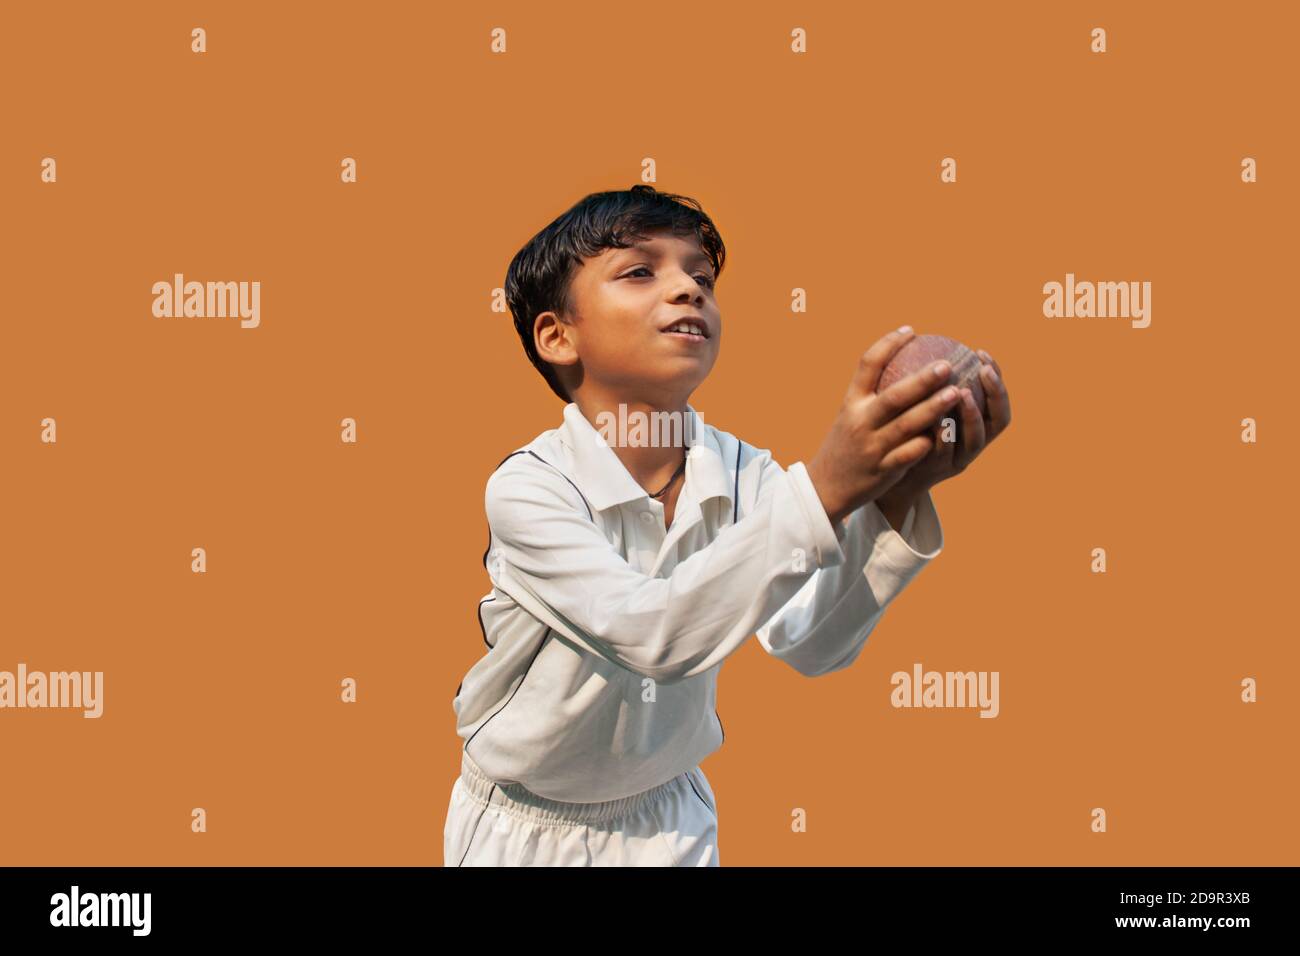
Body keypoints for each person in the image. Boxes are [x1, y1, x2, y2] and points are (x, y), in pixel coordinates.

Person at [444, 184, 1011, 866]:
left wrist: (891, 498)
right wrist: (828, 487)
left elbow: (810, 641)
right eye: (639, 271)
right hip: (526, 825)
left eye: (701, 275)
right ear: (557, 335)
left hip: (667, 817)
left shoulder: (743, 472)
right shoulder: (531, 487)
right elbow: (651, 633)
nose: (687, 288)